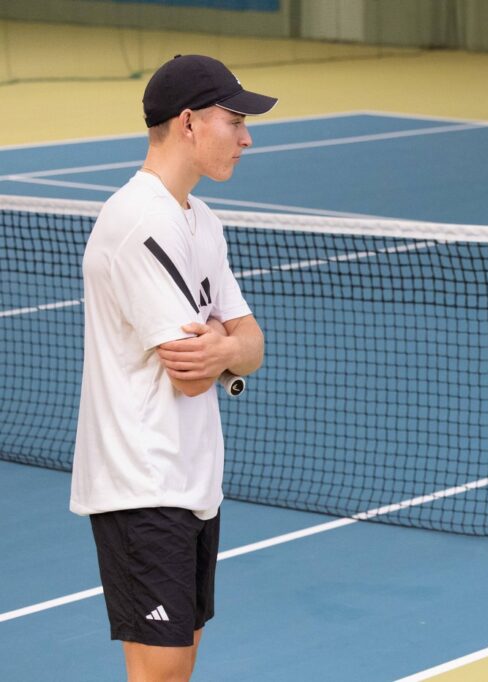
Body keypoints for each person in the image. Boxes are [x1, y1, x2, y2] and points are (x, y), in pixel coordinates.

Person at [70, 54, 276, 681]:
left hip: (190, 480)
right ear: (189, 123)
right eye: (233, 119)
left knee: (177, 665)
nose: (246, 136)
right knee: (158, 672)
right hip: (143, 480)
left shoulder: (200, 221)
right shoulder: (142, 221)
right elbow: (190, 370)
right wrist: (224, 345)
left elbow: (251, 344)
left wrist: (227, 346)